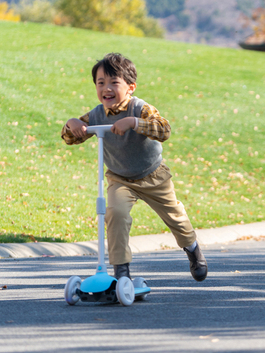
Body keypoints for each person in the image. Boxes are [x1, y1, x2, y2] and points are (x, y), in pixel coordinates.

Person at [61, 53, 207, 282]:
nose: (106, 88)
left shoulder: (140, 109)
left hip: (153, 175)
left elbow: (164, 130)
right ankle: (121, 271)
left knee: (176, 218)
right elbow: (71, 138)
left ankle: (193, 249)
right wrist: (72, 124)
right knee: (115, 214)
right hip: (120, 178)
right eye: (101, 83)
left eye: (113, 83)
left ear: (130, 87)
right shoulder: (97, 115)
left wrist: (134, 123)